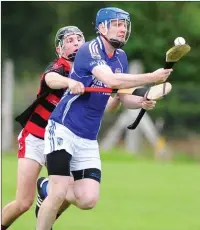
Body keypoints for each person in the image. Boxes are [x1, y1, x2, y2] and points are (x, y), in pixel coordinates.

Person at [36, 7, 172, 230]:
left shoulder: (121, 58)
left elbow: (122, 97)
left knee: (88, 199)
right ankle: (51, 196)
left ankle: (45, 187)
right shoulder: (89, 50)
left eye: (125, 25)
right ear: (101, 27)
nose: (122, 29)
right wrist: (151, 77)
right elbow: (110, 79)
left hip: (88, 138)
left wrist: (142, 101)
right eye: (117, 24)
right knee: (60, 191)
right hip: (63, 128)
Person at [1, 25, 86, 230]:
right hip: (36, 137)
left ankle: (46, 197)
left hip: (60, 141)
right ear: (60, 49)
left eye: (79, 39)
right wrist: (69, 82)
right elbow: (51, 79)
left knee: (73, 191)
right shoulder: (59, 67)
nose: (76, 42)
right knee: (23, 203)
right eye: (70, 40)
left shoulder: (89, 72)